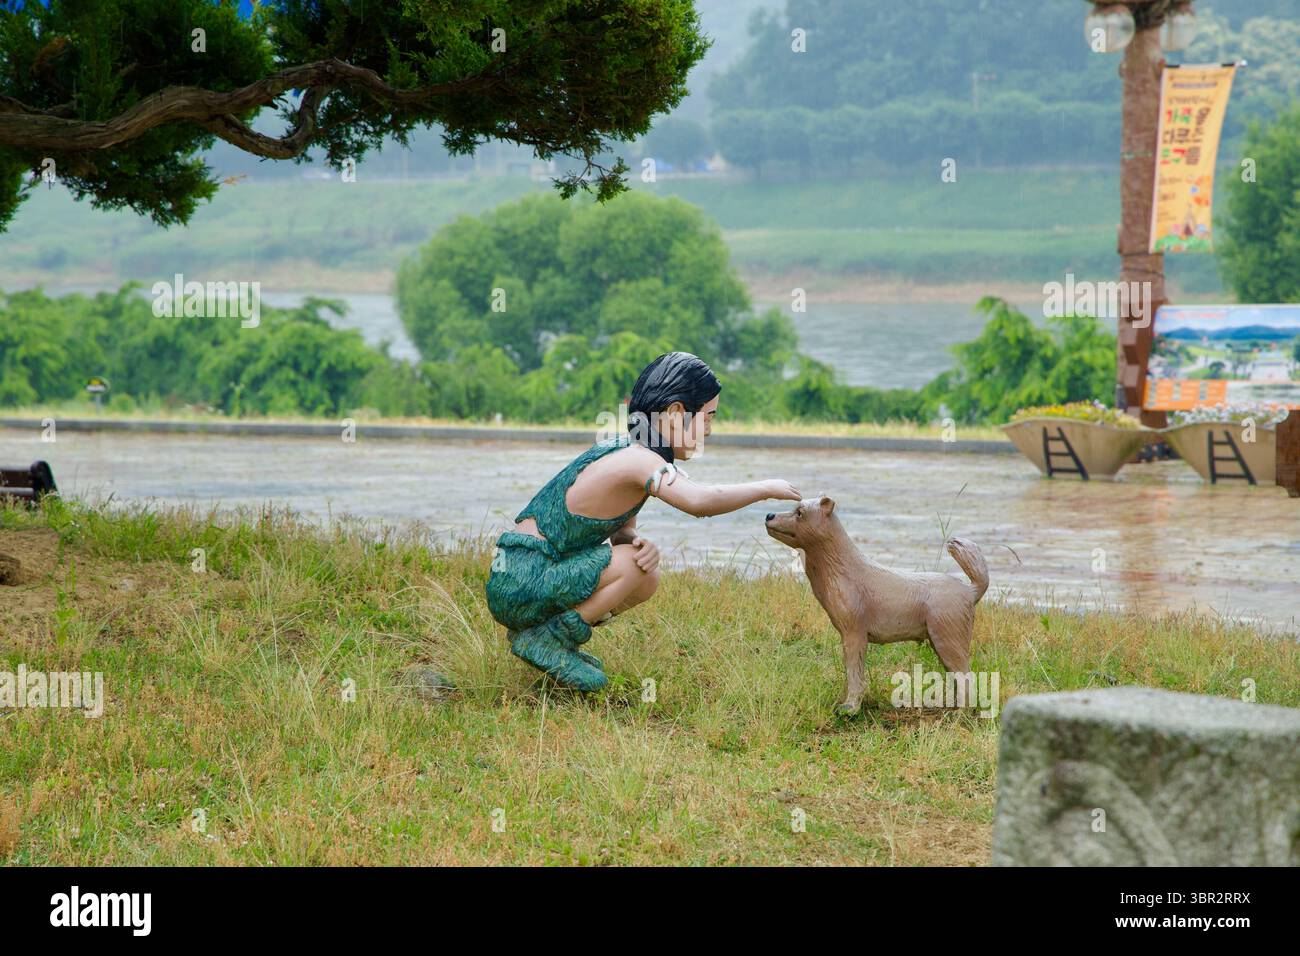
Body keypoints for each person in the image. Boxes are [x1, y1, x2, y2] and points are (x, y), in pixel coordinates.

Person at [485, 351, 802, 691]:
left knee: (645, 573)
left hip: (526, 576)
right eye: (708, 418)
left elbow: (621, 531)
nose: (709, 431)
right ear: (676, 413)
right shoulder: (638, 460)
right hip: (523, 578)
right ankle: (547, 640)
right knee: (634, 566)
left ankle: (555, 640)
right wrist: (765, 488)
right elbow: (699, 501)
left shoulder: (634, 452)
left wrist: (634, 543)